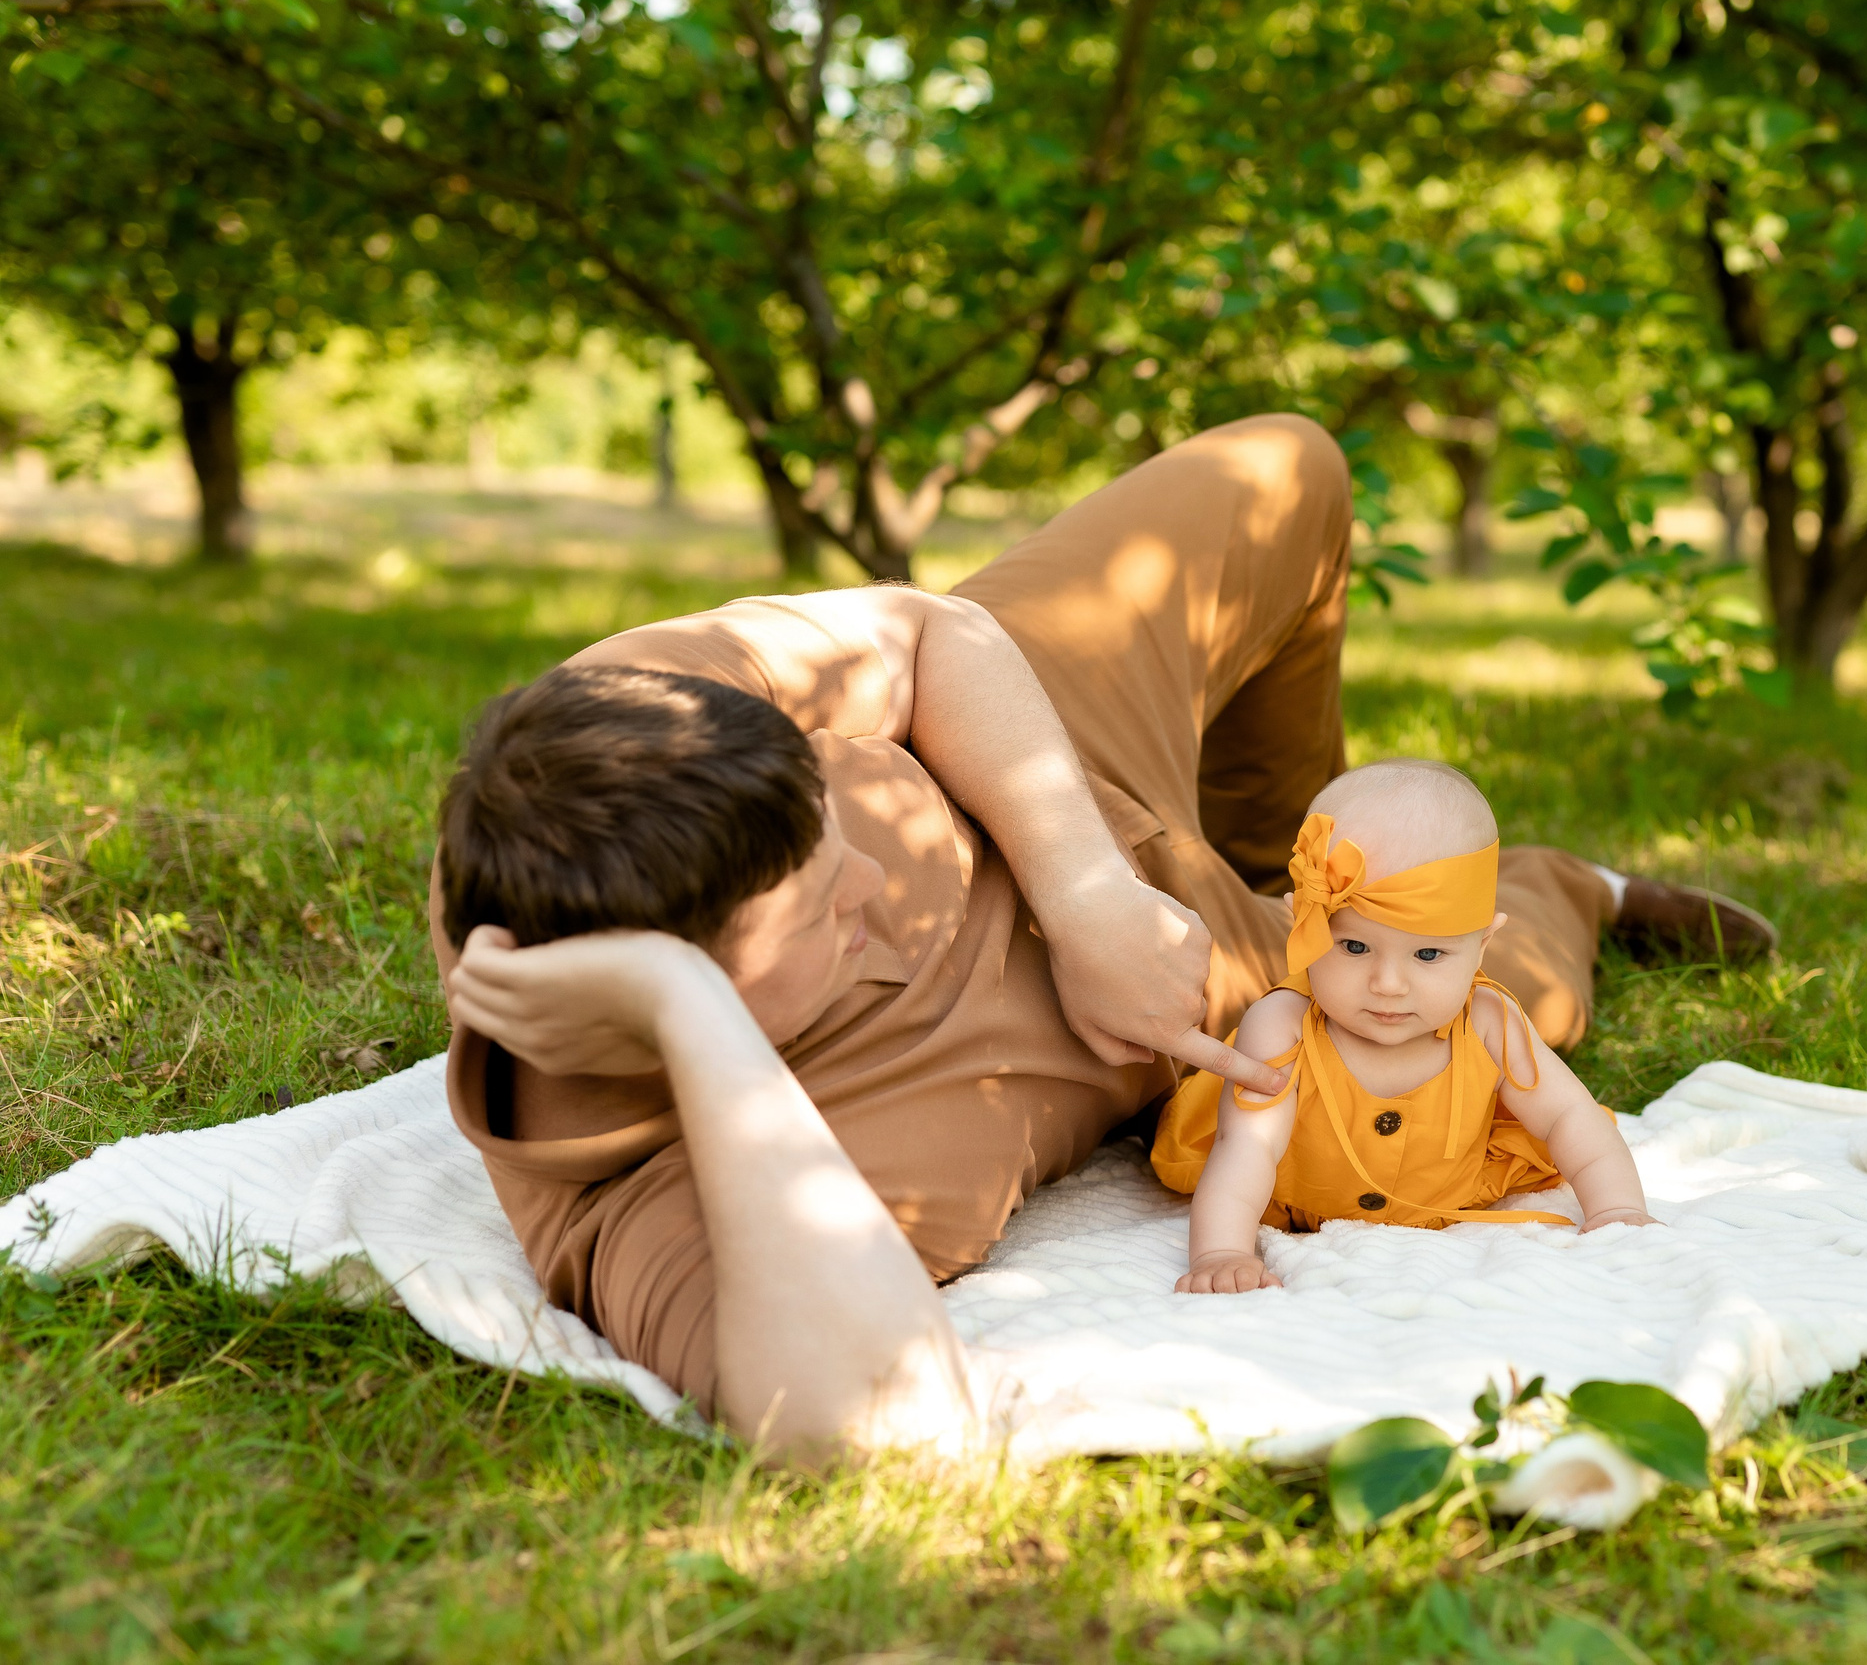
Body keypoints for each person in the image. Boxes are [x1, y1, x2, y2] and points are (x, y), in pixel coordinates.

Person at [430, 414, 1775, 1461]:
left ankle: (1290, 847)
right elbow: (879, 1427)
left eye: (840, 838)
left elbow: (924, 632)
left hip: (1038, 759)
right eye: (822, 906)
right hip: (1210, 995)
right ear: (686, 987)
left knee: (1286, 470)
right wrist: (684, 1009)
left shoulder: (615, 736)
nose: (862, 883)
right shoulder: (653, 1199)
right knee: (1465, 1003)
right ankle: (1567, 885)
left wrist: (1083, 890)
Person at [1152, 761, 1656, 1295]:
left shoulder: (1489, 1023)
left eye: (1429, 953)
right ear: (1300, 924)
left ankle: (1574, 885)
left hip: (1452, 1189)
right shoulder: (1283, 1025)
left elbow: (1569, 1116)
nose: (1389, 984)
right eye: (1354, 946)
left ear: (1484, 943)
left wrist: (1617, 1208)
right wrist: (1222, 1251)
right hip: (1297, 1202)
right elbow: (1246, 1146)